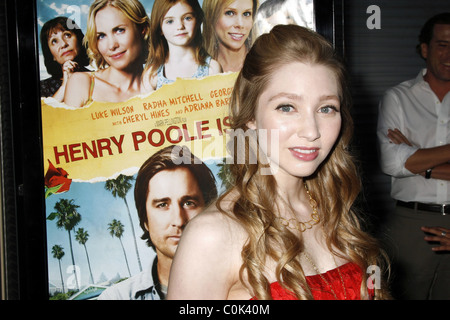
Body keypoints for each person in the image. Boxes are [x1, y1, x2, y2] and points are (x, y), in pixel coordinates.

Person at [167, 25, 390, 300]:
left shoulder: (333, 209)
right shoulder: (212, 235)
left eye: (326, 108)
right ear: (250, 117)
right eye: (287, 107)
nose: (311, 131)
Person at [377, 12, 450, 299]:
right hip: (411, 222)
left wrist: (417, 157)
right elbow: (391, 162)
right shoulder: (398, 97)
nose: (449, 54)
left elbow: (404, 160)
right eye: (442, 44)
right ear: (425, 49)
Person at [98, 145, 218, 299]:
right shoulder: (116, 297)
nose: (179, 220)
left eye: (189, 203)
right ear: (145, 220)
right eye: (162, 205)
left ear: (209, 211)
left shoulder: (248, 286)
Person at [64, 0, 150, 108]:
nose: (111, 46)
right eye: (101, 36)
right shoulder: (82, 83)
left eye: (119, 30)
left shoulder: (160, 86)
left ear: (143, 29)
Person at [142, 0, 221, 91]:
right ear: (160, 28)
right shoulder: (151, 75)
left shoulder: (211, 69)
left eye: (187, 18)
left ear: (198, 20)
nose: (180, 26)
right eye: (170, 21)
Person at [40, 16, 90, 101]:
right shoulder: (43, 88)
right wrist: (65, 85)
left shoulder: (97, 78)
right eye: (54, 41)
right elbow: (47, 114)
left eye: (67, 35)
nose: (63, 44)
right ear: (51, 55)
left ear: (79, 39)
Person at [202, 0, 258, 73]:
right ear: (211, 17)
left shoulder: (265, 60)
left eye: (246, 14)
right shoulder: (196, 68)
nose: (240, 24)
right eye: (230, 13)